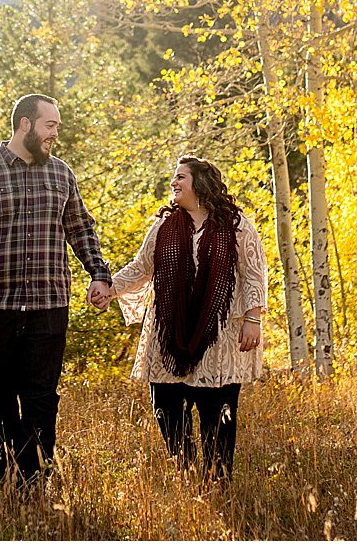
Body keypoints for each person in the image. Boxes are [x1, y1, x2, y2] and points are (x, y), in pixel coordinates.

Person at [0, 93, 114, 487]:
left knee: (40, 397)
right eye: (50, 125)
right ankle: (7, 471)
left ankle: (33, 480)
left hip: (48, 306)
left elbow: (81, 229)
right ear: (25, 124)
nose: (56, 133)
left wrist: (99, 274)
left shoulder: (61, 174)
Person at [109, 155, 267, 481]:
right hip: (168, 335)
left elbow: (254, 273)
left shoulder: (236, 225)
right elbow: (141, 269)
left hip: (219, 338)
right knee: (167, 410)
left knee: (217, 415)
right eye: (174, 177)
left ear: (200, 182)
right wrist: (108, 289)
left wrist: (253, 318)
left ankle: (217, 482)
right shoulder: (163, 226)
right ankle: (186, 475)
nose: (174, 183)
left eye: (181, 177)